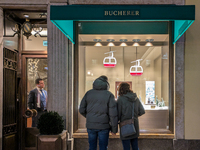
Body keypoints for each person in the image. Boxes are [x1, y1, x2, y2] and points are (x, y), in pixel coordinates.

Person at [79, 75, 118, 150]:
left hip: (91, 126)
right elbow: (113, 114)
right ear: (106, 84)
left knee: (92, 147)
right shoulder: (109, 95)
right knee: (103, 147)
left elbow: (81, 110)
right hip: (104, 126)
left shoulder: (88, 93)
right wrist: (114, 129)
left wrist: (90, 117)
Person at [117, 82, 145, 150]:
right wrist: (134, 116)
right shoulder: (135, 98)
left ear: (120, 89)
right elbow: (142, 111)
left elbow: (118, 114)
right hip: (134, 125)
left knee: (126, 147)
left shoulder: (121, 99)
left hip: (125, 126)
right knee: (135, 146)